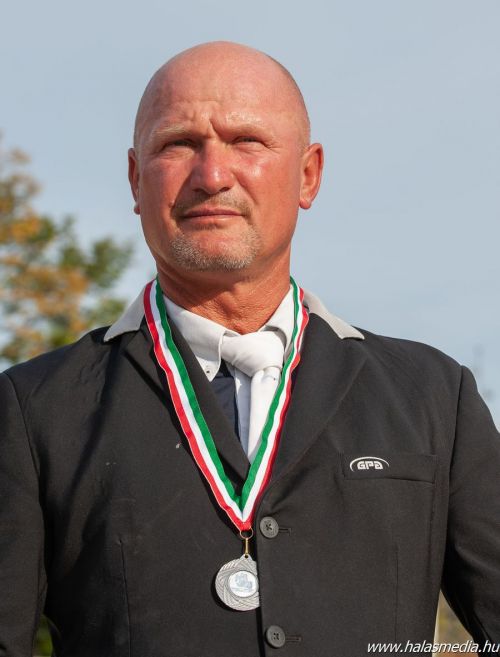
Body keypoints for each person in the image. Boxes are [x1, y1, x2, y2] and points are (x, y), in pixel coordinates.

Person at [1, 41, 499, 657]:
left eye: (247, 142)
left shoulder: (433, 397)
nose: (212, 175)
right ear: (135, 179)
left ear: (308, 175)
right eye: (178, 144)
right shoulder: (33, 410)